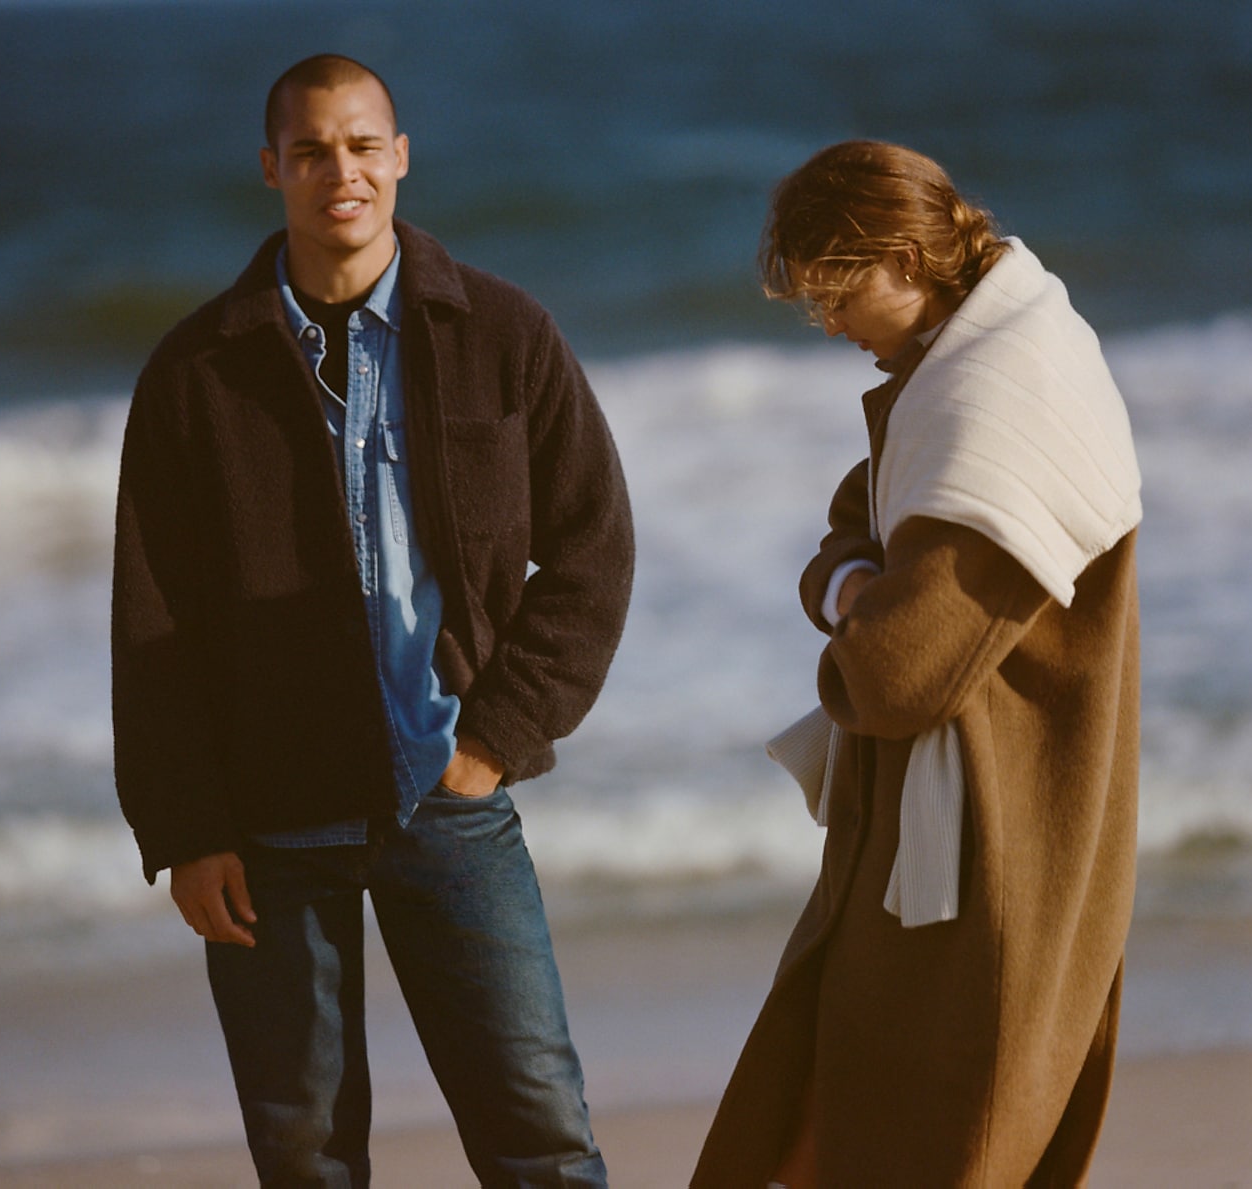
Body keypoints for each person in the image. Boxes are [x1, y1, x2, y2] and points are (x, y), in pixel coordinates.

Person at [111, 54, 633, 1187]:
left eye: (360, 146)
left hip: (449, 791)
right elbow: (153, 622)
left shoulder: (503, 331)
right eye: (309, 152)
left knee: (541, 1136)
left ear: (399, 158)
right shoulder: (195, 373)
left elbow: (595, 545)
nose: (336, 173)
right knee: (305, 1158)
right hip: (268, 822)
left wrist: (496, 739)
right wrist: (188, 827)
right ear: (271, 170)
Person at [692, 141, 1142, 1187]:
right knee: (827, 1130)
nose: (830, 325)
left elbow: (892, 677)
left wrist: (851, 601)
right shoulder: (973, 366)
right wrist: (851, 587)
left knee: (906, 1144)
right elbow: (857, 524)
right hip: (959, 838)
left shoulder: (996, 397)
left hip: (989, 853)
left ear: (903, 257)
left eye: (836, 293)